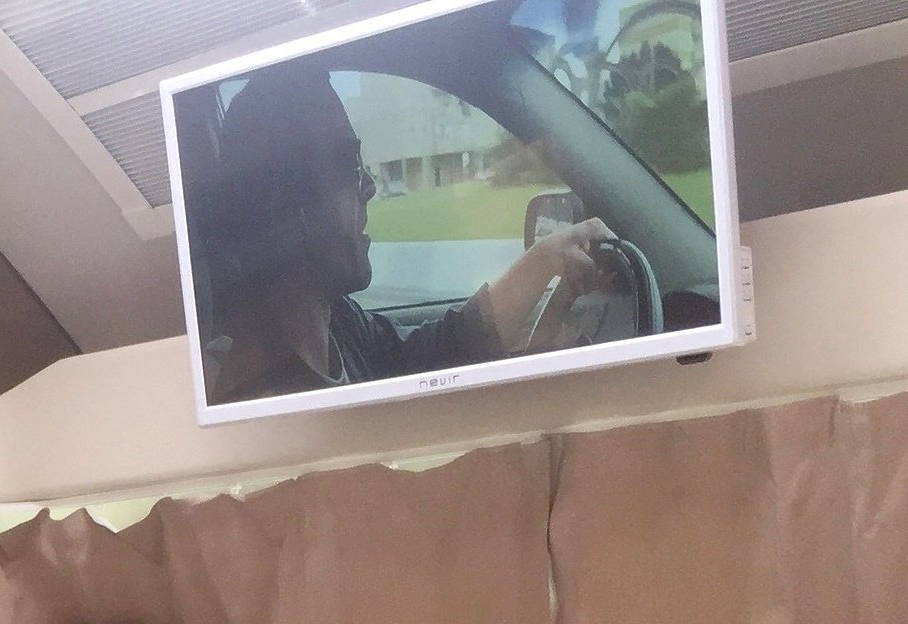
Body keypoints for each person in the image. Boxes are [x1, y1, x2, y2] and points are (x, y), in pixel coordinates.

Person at [194, 63, 617, 404]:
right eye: (349, 165)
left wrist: (546, 259)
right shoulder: (264, 398)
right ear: (282, 206)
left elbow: (438, 351)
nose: (369, 186)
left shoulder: (339, 324)